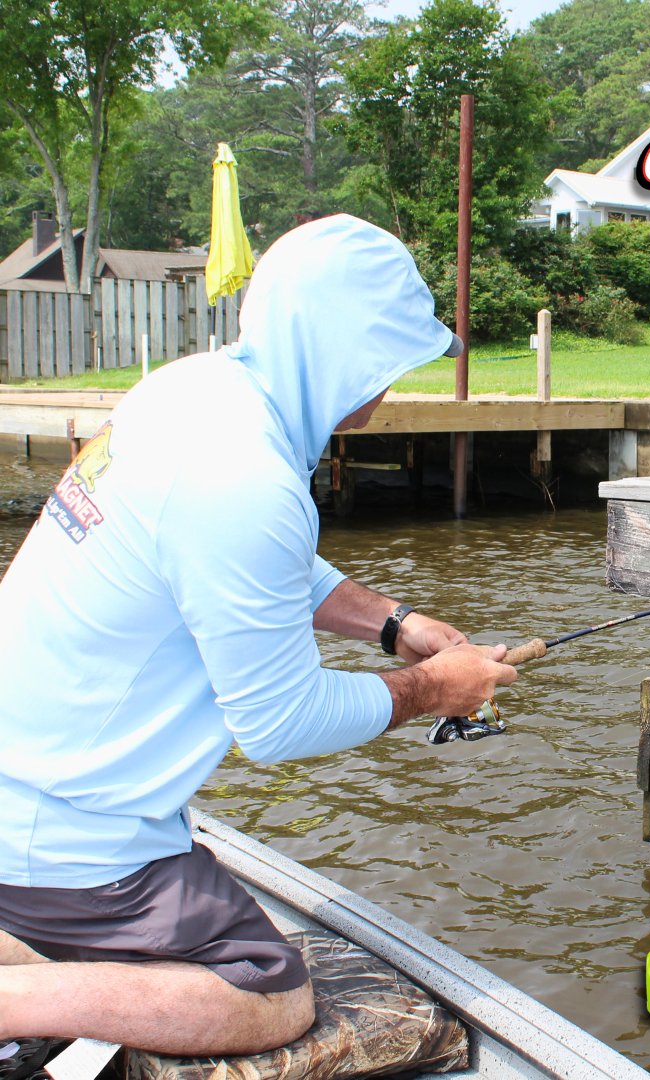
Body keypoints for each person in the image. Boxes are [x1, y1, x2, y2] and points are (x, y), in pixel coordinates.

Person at [0, 215, 517, 1056]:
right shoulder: (243, 479)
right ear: (349, 357)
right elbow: (279, 724)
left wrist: (395, 625)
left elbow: (261, 568)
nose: (391, 387)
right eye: (390, 362)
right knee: (269, 997)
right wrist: (437, 688)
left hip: (17, 781)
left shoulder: (194, 393)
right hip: (63, 832)